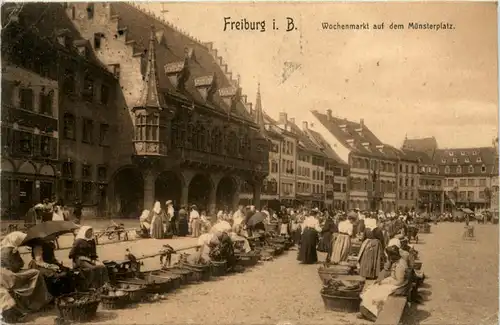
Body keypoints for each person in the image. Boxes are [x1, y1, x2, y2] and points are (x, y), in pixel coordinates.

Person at [0, 232, 52, 322]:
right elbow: (18, 264)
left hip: (6, 274)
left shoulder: (5, 247)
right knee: (36, 274)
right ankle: (37, 303)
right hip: (11, 276)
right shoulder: (11, 250)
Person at [358, 245, 409, 322]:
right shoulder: (396, 262)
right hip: (394, 282)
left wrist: (385, 283)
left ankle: (375, 314)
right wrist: (383, 281)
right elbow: (392, 276)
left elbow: (399, 281)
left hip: (398, 286)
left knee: (377, 293)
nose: (389, 258)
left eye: (390, 256)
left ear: (394, 255)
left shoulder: (400, 265)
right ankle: (366, 310)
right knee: (373, 287)